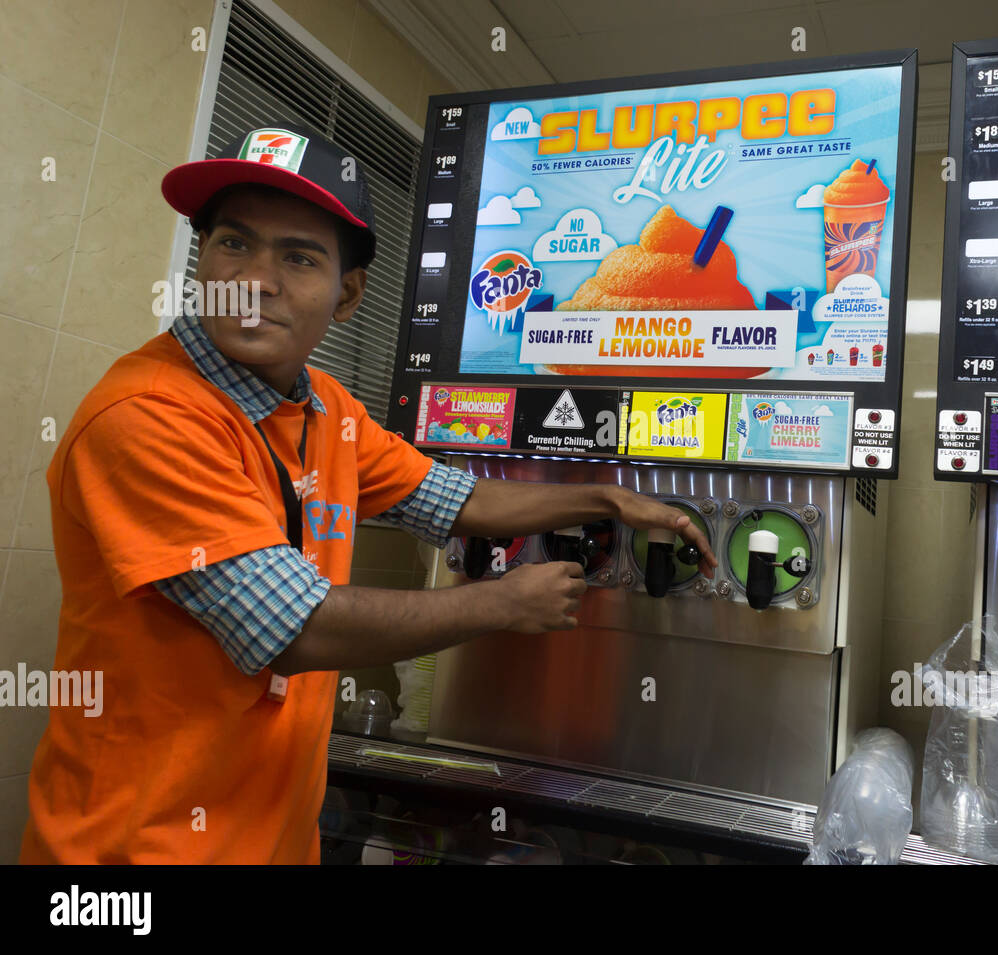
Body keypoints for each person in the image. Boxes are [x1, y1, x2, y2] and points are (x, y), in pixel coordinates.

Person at [21, 122, 716, 864]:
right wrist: (502, 603)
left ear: (348, 295)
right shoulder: (146, 415)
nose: (255, 278)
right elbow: (294, 631)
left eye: (297, 256)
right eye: (233, 243)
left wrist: (608, 499)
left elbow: (460, 501)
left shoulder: (326, 407)